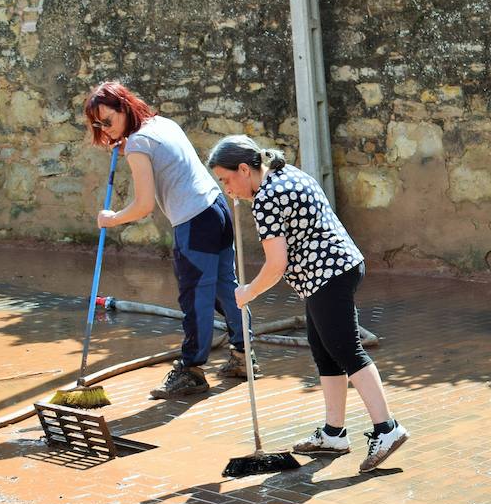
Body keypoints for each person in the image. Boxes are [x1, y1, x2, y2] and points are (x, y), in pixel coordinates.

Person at [206, 136, 408, 473]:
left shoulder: (266, 199)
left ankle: (387, 429)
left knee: (347, 351)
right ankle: (334, 433)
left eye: (227, 179)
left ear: (244, 169)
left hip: (326, 275)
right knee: (324, 349)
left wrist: (248, 292)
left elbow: (276, 264)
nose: (228, 189)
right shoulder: (287, 174)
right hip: (337, 268)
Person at [84, 81, 248, 398]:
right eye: (98, 125)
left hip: (194, 221)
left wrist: (111, 218)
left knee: (195, 297)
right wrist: (126, 141)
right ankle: (244, 355)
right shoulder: (160, 124)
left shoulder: (137, 144)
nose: (105, 130)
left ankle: (191, 371)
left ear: (124, 108)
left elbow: (144, 205)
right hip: (217, 209)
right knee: (225, 287)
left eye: (108, 121)